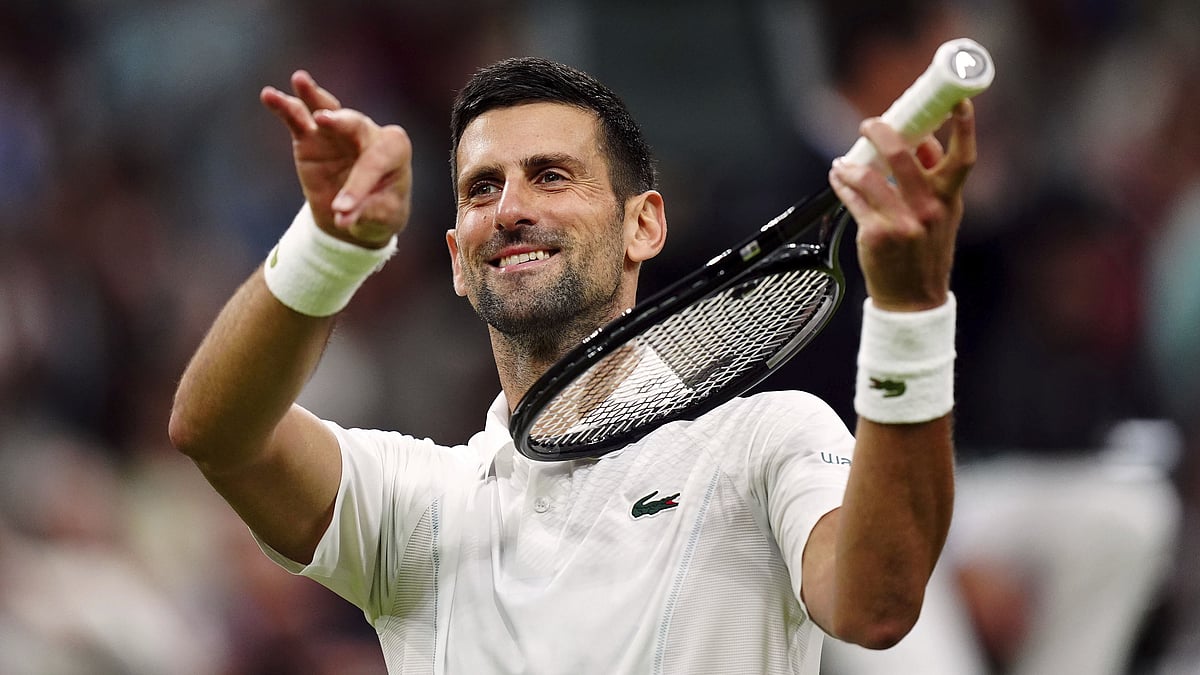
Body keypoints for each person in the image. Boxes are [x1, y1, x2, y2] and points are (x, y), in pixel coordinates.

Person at [169, 55, 977, 674]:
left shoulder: (768, 438)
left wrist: (911, 313)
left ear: (643, 226)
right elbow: (218, 431)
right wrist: (332, 248)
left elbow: (876, 603)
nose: (512, 208)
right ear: (456, 258)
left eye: (551, 176)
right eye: (482, 189)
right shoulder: (420, 503)